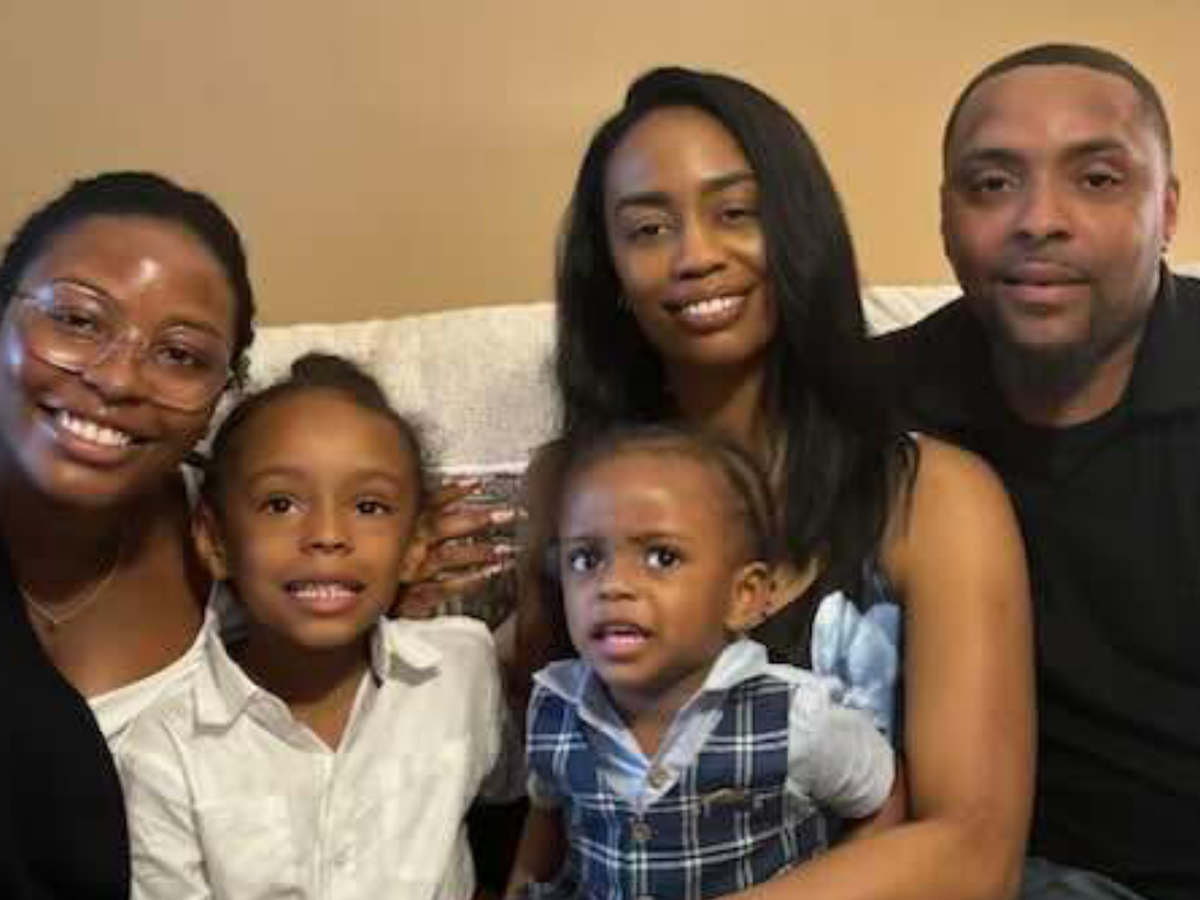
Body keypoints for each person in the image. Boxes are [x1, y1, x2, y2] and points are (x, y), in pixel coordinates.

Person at [516, 66, 1034, 899]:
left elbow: (975, 853)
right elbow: (549, 785)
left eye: (735, 213)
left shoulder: (933, 498)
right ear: (608, 270)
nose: (695, 256)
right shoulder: (564, 488)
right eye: (648, 229)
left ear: (797, 230)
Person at [880, 43, 1195, 900]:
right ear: (946, 218)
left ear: (1167, 209)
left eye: (1096, 179)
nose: (1039, 220)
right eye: (992, 184)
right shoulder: (868, 410)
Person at [118, 352, 522, 900]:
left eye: (370, 506)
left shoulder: (461, 667)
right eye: (281, 504)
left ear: (415, 545)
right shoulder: (164, 747)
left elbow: (527, 799)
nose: (328, 534)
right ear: (215, 541)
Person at [0, 171, 255, 899]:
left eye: (180, 355)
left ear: (221, 394)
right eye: (77, 320)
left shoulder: (253, 546)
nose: (118, 380)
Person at [508, 424, 896, 900]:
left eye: (661, 557)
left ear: (743, 596)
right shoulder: (555, 707)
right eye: (587, 559)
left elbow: (882, 799)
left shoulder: (797, 718)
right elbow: (545, 826)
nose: (613, 585)